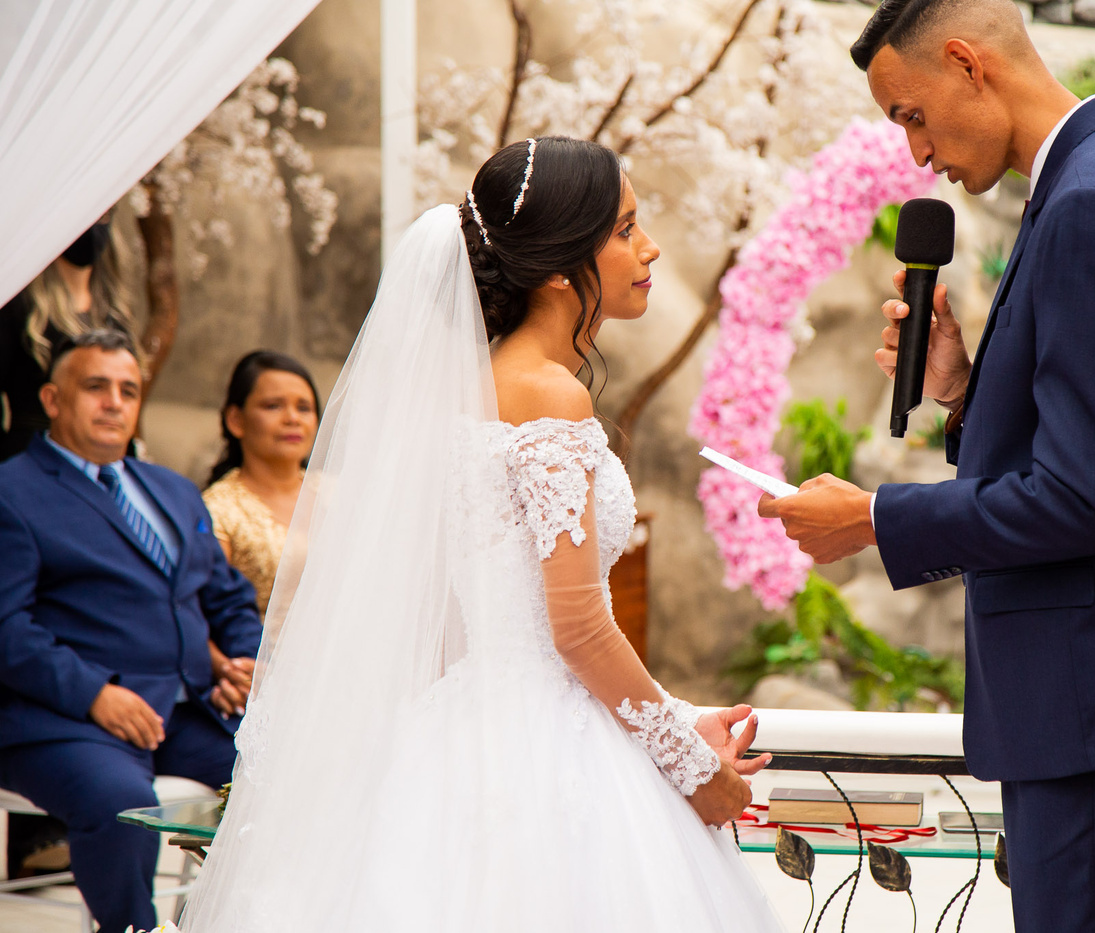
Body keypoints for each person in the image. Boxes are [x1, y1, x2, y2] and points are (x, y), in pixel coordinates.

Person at [174, 137, 783, 933]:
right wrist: (690, 766)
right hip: (540, 757)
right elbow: (576, 626)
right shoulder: (550, 395)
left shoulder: (470, 388)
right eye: (625, 228)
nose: (651, 248)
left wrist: (674, 711)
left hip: (463, 729)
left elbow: (498, 619)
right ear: (560, 268)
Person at [757, 2, 1095, 930]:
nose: (918, 154)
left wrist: (874, 519)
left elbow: (1082, 498)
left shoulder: (1091, 207)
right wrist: (964, 394)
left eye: (913, 115)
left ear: (967, 62)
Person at [0, 329, 263, 933]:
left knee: (281, 772)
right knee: (122, 805)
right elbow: (6, 627)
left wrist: (245, 662)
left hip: (185, 711)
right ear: (52, 399)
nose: (114, 402)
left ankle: (207, 923)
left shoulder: (172, 489)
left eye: (128, 390)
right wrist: (95, 694)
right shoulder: (12, 493)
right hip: (66, 720)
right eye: (96, 387)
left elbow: (226, 597)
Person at [201, 352, 320, 714]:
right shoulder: (217, 509)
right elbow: (194, 610)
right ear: (235, 420)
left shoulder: (345, 494)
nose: (292, 418)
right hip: (265, 682)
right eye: (273, 406)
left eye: (304, 407)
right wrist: (226, 670)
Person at [0, 216, 137, 461]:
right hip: (35, 456)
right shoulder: (18, 307)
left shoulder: (115, 314)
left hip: (105, 461)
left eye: (103, 215)